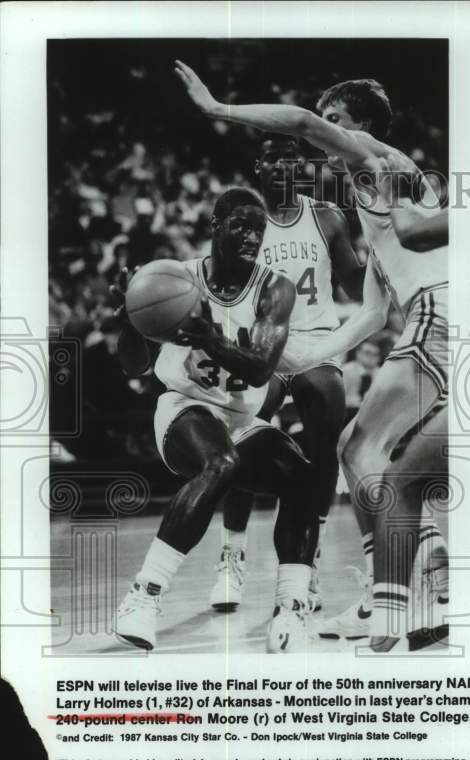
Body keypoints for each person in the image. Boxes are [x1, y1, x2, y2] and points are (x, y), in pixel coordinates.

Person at [174, 62, 449, 645]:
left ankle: (417, 568)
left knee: (364, 448)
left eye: (334, 122)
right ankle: (399, 587)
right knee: (358, 448)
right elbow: (374, 312)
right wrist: (299, 359)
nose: (319, 134)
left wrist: (216, 109)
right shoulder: (376, 194)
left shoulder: (374, 159)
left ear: (361, 126)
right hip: (425, 322)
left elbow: (297, 120)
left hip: (439, 317)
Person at [111, 188, 317, 653]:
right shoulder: (172, 278)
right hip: (183, 407)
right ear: (216, 225)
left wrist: (209, 338)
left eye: (258, 229)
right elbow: (132, 367)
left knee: (305, 478)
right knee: (221, 463)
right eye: (241, 225)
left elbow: (261, 366)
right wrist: (129, 320)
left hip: (240, 416)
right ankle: (143, 596)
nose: (251, 236)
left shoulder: (275, 287)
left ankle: (291, 608)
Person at [211, 135, 362, 615]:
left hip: (318, 342)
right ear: (258, 166)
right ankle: (231, 556)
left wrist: (385, 255)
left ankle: (306, 565)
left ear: (303, 168)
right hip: (263, 343)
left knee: (321, 450)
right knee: (239, 440)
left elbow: (356, 285)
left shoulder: (326, 217)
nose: (282, 165)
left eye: (291, 159)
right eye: (273, 158)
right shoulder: (245, 224)